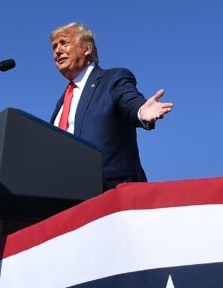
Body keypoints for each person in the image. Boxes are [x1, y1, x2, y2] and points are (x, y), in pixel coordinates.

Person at [48, 22, 173, 189]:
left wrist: (141, 110)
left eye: (64, 43)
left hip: (112, 193)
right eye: (54, 47)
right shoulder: (61, 103)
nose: (57, 50)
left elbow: (129, 101)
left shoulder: (112, 79)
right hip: (66, 196)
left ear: (87, 49)